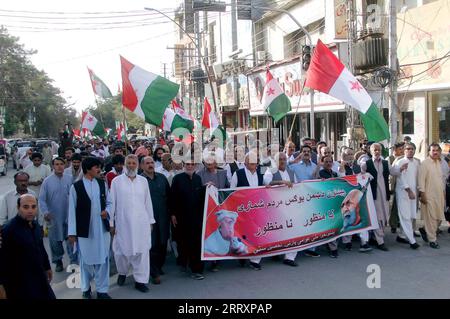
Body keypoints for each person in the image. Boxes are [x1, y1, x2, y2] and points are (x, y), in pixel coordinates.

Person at [68, 157, 112, 299]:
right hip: (85, 230)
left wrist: (107, 212)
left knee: (103, 260)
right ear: (88, 169)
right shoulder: (76, 187)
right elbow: (72, 211)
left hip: (102, 229)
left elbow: (110, 202)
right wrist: (72, 233)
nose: (99, 170)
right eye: (96, 167)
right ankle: (86, 289)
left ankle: (102, 290)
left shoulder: (102, 184)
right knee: (86, 261)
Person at [110, 154, 155, 292]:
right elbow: (112, 203)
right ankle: (122, 272)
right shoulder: (117, 182)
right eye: (128, 163)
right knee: (121, 251)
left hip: (141, 223)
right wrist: (111, 223)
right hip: (123, 223)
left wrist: (151, 221)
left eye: (133, 163)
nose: (131, 165)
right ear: (124, 164)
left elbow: (148, 202)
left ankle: (140, 281)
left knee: (142, 252)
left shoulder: (143, 181)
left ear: (138, 165)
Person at [0, 194, 55, 300]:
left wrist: (47, 266)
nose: (30, 210)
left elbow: (41, 248)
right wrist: (1, 285)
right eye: (26, 207)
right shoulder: (9, 230)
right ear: (18, 208)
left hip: (39, 278)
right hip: (20, 283)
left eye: (33, 207)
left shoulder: (35, 226)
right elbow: (3, 260)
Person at [170, 157, 206, 279]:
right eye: (187, 164)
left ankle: (196, 270)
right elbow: (172, 198)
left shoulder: (197, 178)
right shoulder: (177, 179)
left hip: (196, 218)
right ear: (184, 165)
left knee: (196, 243)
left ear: (195, 166)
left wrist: (207, 187)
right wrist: (173, 214)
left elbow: (200, 196)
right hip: (182, 218)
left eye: (192, 164)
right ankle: (184, 263)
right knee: (183, 243)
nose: (190, 166)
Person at [39, 157, 77, 272]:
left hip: (68, 215)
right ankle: (58, 261)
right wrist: (45, 212)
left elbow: (75, 196)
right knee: (55, 241)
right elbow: (41, 199)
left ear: (65, 165)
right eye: (57, 164)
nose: (59, 166)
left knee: (71, 239)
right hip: (54, 216)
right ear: (53, 166)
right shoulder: (47, 181)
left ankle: (73, 262)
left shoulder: (70, 179)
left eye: (61, 164)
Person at [230, 151, 265, 270]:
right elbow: (232, 192)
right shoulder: (238, 174)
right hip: (242, 210)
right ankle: (242, 255)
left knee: (256, 234)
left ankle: (255, 260)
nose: (253, 163)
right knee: (243, 234)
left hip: (257, 209)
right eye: (250, 160)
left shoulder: (261, 172)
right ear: (245, 162)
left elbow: (267, 186)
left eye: (255, 160)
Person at [263, 152, 298, 266]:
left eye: (284, 159)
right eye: (280, 159)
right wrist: (281, 182)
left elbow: (298, 186)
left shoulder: (292, 172)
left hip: (290, 206)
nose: (282, 161)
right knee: (274, 232)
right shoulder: (270, 171)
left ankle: (289, 257)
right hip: (274, 207)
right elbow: (266, 183)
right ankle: (274, 253)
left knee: (293, 231)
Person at [140, 156, 171, 285]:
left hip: (163, 216)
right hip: (148, 218)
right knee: (151, 244)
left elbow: (169, 197)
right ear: (142, 166)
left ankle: (158, 266)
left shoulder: (162, 178)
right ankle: (154, 272)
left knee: (163, 242)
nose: (150, 165)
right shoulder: (140, 180)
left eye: (152, 162)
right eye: (147, 163)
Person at [288, 145, 321, 258]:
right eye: (304, 151)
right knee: (300, 223)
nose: (306, 153)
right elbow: (284, 167)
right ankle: (297, 247)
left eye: (308, 151)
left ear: (311, 153)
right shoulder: (296, 166)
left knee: (313, 223)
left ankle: (311, 248)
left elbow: (317, 179)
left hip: (312, 198)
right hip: (299, 199)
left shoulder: (315, 166)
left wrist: (318, 168)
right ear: (301, 153)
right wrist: (295, 160)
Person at [337, 148, 372, 252]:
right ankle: (347, 242)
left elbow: (362, 178)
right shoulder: (341, 166)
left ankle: (364, 243)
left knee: (361, 217)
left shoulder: (358, 166)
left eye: (352, 154)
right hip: (347, 198)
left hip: (359, 197)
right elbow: (342, 178)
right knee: (347, 219)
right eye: (348, 154)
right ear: (344, 155)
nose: (350, 156)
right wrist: (342, 164)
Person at [361, 143, 391, 251]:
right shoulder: (366, 164)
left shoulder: (386, 163)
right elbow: (361, 177)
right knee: (378, 217)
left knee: (385, 215)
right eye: (375, 150)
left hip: (384, 194)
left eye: (379, 150)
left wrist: (401, 168)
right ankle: (380, 241)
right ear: (371, 151)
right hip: (374, 195)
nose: (377, 152)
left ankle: (377, 236)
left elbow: (393, 172)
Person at [391, 142, 420, 249]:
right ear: (404, 150)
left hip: (413, 193)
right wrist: (409, 190)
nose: (410, 150)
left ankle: (402, 235)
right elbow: (396, 174)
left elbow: (416, 178)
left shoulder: (416, 162)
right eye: (408, 149)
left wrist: (418, 191)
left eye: (412, 149)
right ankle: (412, 241)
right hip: (404, 192)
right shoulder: (400, 161)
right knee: (405, 215)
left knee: (412, 215)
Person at [418, 143, 446, 249]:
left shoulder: (439, 163)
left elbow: (440, 180)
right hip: (428, 195)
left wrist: (443, 193)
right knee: (431, 219)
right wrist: (422, 194)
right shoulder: (425, 164)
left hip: (439, 196)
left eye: (437, 150)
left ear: (439, 152)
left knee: (439, 218)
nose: (435, 152)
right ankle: (432, 240)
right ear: (429, 151)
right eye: (433, 150)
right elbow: (421, 180)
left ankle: (425, 230)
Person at [388, 142, 405, 234]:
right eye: (400, 149)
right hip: (394, 185)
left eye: (403, 149)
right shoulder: (390, 159)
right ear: (395, 150)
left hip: (403, 185)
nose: (402, 151)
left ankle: (399, 222)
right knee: (394, 205)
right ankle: (393, 224)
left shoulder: (405, 158)